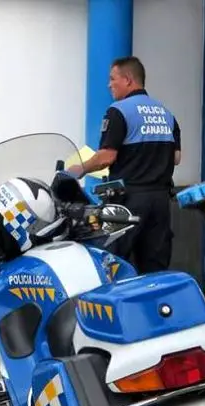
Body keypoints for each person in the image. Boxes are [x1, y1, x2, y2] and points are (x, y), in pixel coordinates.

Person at [68, 56, 181, 274]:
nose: (109, 85)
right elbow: (176, 158)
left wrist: (76, 169)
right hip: (160, 202)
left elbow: (107, 157)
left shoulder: (119, 111)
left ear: (128, 80)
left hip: (127, 202)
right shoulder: (166, 113)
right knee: (155, 268)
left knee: (114, 265)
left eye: (113, 79)